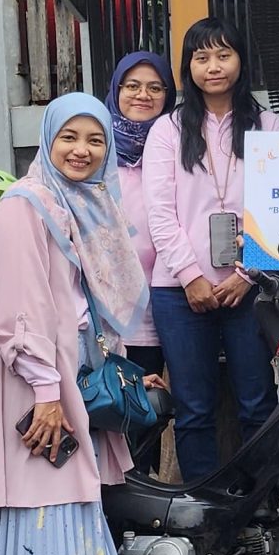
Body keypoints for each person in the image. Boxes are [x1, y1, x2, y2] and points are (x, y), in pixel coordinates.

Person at [0, 96, 162, 555]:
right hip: (37, 388)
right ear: (47, 142)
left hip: (68, 379)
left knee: (74, 518)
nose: (82, 150)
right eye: (69, 138)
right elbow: (19, 314)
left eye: (95, 140)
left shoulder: (79, 205)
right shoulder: (25, 209)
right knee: (40, 519)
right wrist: (47, 395)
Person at [143, 17, 279, 482]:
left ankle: (258, 505)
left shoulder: (269, 126)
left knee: (257, 399)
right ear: (188, 67)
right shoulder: (166, 130)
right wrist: (191, 276)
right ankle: (204, 507)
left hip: (252, 289)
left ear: (241, 61)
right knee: (194, 406)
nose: (213, 67)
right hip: (178, 292)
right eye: (201, 57)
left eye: (224, 55)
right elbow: (159, 213)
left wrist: (247, 276)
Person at [106, 50, 173, 374]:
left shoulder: (179, 148)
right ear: (116, 89)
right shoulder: (93, 147)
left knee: (150, 412)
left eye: (155, 87)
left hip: (160, 311)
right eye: (132, 85)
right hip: (101, 315)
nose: (143, 95)